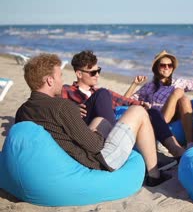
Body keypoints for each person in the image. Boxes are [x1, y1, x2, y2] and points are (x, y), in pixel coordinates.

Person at [15, 53, 170, 186]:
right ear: (49, 81)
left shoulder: (23, 110)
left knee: (100, 119)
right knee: (138, 111)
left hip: (65, 157)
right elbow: (95, 146)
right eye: (59, 76)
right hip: (97, 162)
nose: (61, 81)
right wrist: (100, 129)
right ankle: (154, 176)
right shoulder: (62, 106)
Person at [62, 50, 185, 161]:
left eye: (98, 70)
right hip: (89, 132)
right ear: (79, 74)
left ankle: (176, 150)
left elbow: (123, 100)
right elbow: (53, 107)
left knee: (152, 112)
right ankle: (111, 147)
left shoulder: (99, 93)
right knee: (103, 93)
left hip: (108, 128)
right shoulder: (67, 90)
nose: (98, 75)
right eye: (93, 73)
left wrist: (142, 104)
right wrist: (71, 109)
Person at [125, 48, 193, 148]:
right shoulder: (149, 86)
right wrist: (134, 84)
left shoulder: (179, 82)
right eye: (163, 65)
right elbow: (125, 101)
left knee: (183, 98)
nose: (167, 68)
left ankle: (190, 143)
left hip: (175, 115)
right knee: (177, 92)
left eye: (170, 65)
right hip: (158, 118)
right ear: (156, 68)